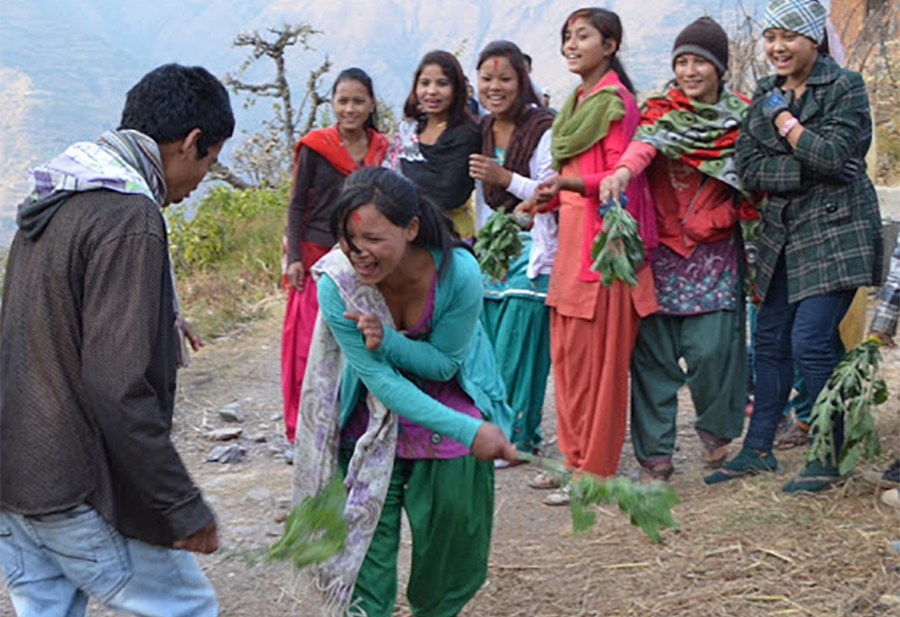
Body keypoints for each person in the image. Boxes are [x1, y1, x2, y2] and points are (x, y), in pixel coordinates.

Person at [0, 63, 234, 616]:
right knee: (188, 608)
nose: (202, 178)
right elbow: (116, 388)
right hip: (71, 489)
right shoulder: (130, 218)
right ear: (192, 142)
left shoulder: (51, 203)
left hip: (14, 483)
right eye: (210, 160)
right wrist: (180, 504)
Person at [292, 167, 516, 617]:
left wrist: (389, 340)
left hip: (449, 396)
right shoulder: (338, 283)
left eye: (374, 239)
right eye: (348, 240)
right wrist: (471, 432)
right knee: (363, 567)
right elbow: (380, 382)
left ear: (411, 229)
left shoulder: (458, 273)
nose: (360, 254)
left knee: (450, 548)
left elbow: (444, 363)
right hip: (370, 415)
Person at [706, 0, 883, 492]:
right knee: (769, 341)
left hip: (838, 232)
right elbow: (749, 167)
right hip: (783, 235)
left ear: (814, 40)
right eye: (770, 37)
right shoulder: (764, 90)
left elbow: (835, 153)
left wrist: (784, 123)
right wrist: (810, 163)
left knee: (811, 339)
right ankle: (758, 448)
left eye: (789, 36)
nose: (777, 48)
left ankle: (828, 455)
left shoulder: (844, 85)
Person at [599, 17, 750, 481]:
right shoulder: (662, 111)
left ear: (719, 68)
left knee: (714, 352)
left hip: (715, 251)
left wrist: (718, 219)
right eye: (681, 61)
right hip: (661, 251)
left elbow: (752, 183)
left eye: (699, 62)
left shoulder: (743, 118)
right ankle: (656, 458)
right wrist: (622, 173)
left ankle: (715, 437)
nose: (689, 71)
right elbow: (644, 146)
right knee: (653, 356)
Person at [518, 7, 659, 505]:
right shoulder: (577, 102)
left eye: (583, 36)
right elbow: (570, 178)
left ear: (611, 45)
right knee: (570, 362)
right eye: (566, 37)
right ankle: (572, 459)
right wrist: (541, 199)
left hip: (605, 253)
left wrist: (569, 184)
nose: (571, 45)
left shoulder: (616, 102)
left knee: (601, 369)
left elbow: (621, 176)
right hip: (571, 247)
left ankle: (594, 473)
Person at [281, 68, 389, 446]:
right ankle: (301, 430)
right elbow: (297, 206)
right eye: (342, 100)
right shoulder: (314, 146)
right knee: (306, 345)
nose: (350, 108)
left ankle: (348, 424)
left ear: (371, 104)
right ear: (332, 104)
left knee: (356, 341)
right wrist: (294, 256)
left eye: (358, 100)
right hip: (314, 256)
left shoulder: (383, 149)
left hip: (364, 256)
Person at [468, 40, 556, 460]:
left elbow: (549, 189)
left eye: (505, 78)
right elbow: (480, 201)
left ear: (523, 79)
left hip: (536, 245)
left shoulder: (544, 127)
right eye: (487, 78)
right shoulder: (479, 129)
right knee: (488, 341)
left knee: (519, 339)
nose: (495, 86)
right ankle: (493, 433)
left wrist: (506, 177)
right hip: (494, 249)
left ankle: (519, 435)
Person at [384, 50, 482, 240]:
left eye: (442, 83)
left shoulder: (467, 134)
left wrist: (405, 189)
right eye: (425, 83)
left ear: (456, 88)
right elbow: (388, 176)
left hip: (452, 236)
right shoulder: (409, 129)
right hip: (406, 233)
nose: (431, 91)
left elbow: (449, 193)